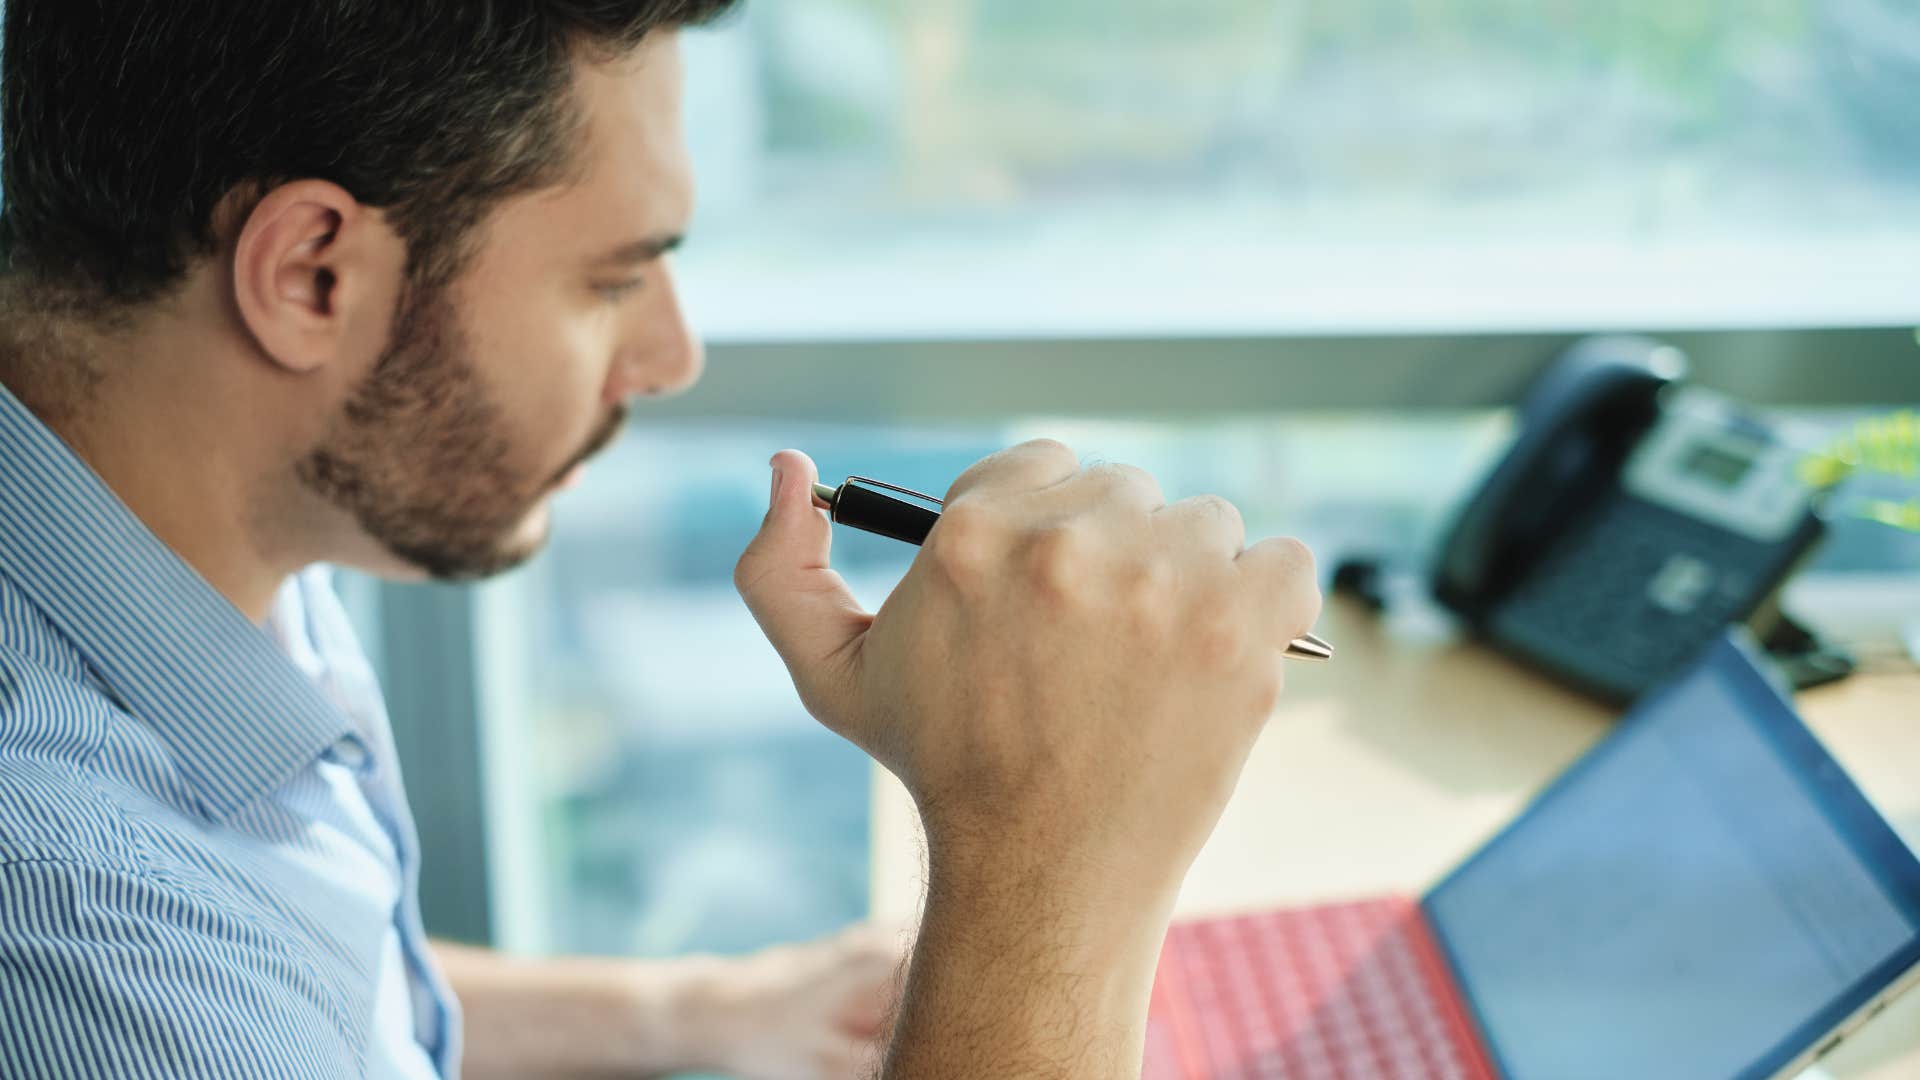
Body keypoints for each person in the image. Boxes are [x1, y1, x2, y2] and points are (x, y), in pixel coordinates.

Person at [0, 2, 1321, 1077]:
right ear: (310, 277)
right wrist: (1049, 891)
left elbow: (300, 969)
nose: (669, 356)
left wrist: (698, 1009)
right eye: (615, 277)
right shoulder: (82, 928)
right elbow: (175, 965)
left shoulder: (155, 519)